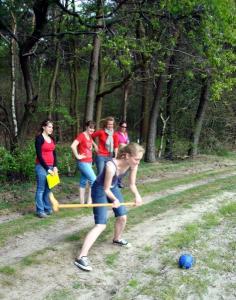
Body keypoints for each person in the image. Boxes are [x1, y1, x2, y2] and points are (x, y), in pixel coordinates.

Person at [74, 142, 145, 271]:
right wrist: (115, 199)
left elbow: (132, 184)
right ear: (127, 156)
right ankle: (81, 257)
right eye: (136, 159)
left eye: (139, 159)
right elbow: (106, 189)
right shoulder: (111, 166)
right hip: (100, 189)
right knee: (101, 224)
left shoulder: (133, 165)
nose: (138, 162)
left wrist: (137, 196)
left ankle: (117, 239)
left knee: (122, 217)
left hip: (113, 187)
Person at [35, 119, 58, 218]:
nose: (51, 129)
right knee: (41, 189)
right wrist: (47, 169)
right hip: (41, 167)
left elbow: (54, 153)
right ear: (43, 127)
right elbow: (39, 156)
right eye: (49, 126)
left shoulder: (52, 139)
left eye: (52, 127)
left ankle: (47, 208)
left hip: (51, 167)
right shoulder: (39, 138)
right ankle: (40, 211)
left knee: (48, 189)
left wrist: (55, 166)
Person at [71, 121, 97, 204]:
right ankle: (89, 202)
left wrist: (95, 145)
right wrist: (77, 156)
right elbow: (73, 145)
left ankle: (81, 203)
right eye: (90, 128)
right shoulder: (82, 135)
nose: (92, 130)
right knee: (94, 180)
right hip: (83, 162)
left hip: (89, 162)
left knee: (83, 181)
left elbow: (90, 143)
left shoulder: (89, 136)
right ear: (86, 127)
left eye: (93, 129)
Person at [116, 121, 130, 188]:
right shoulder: (116, 134)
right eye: (122, 126)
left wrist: (127, 143)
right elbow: (117, 144)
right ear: (120, 126)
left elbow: (128, 143)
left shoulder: (126, 134)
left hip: (126, 153)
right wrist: (123, 144)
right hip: (119, 154)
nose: (124, 128)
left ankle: (119, 180)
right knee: (119, 168)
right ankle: (117, 182)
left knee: (127, 168)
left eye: (125, 127)